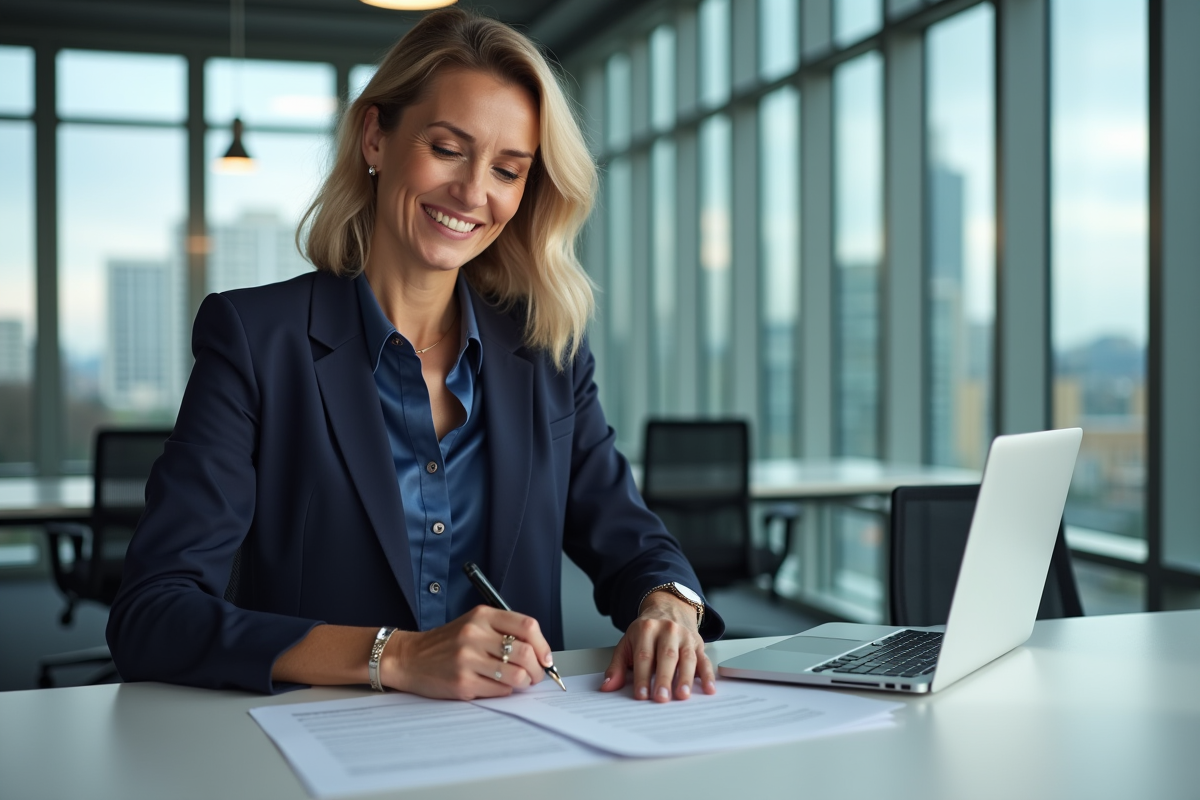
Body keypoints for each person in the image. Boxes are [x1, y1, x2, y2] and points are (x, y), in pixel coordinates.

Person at [107, 7, 724, 703]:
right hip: (317, 747)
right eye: (447, 148)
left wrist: (669, 604)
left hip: (520, 745)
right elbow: (153, 614)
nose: (473, 192)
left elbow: (633, 540)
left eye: (508, 170)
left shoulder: (545, 351)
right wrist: (394, 656)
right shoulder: (256, 339)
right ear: (376, 137)